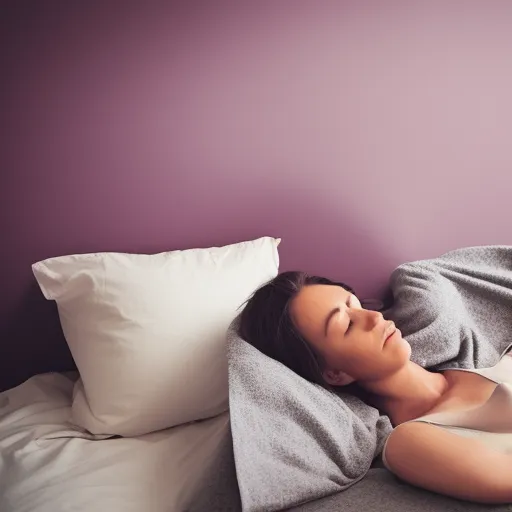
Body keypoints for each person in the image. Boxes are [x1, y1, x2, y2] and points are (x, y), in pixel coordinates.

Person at [239, 271, 512, 504]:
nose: (373, 318)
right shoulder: (409, 443)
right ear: (335, 374)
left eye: (355, 304)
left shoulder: (486, 354)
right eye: (346, 325)